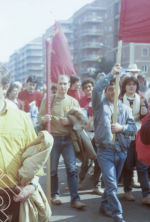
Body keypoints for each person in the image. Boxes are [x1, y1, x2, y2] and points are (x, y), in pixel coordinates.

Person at [0, 71, 50, 222]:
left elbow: (33, 157)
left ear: (5, 87)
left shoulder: (22, 118)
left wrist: (33, 185)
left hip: (15, 195)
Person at [92, 64, 137, 222]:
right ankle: (118, 215)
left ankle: (104, 206)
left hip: (122, 152)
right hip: (105, 151)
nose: (112, 91)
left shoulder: (126, 109)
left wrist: (122, 128)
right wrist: (111, 73)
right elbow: (96, 90)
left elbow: (133, 129)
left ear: (119, 91)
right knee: (111, 185)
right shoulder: (99, 106)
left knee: (111, 186)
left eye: (114, 89)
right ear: (106, 91)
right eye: (109, 89)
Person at [38, 74, 86, 209]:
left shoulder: (73, 102)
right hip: (53, 139)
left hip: (68, 139)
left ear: (69, 85)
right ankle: (55, 195)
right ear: (56, 84)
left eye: (65, 84)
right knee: (52, 170)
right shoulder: (48, 100)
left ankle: (75, 199)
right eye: (60, 83)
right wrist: (44, 119)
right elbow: (39, 118)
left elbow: (82, 121)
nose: (63, 86)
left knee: (71, 169)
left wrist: (70, 121)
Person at [120, 76, 150, 204]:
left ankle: (146, 194)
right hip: (126, 136)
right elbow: (120, 118)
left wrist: (143, 103)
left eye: (134, 84)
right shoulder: (120, 100)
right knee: (128, 165)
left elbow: (145, 114)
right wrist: (135, 117)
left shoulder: (141, 98)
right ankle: (127, 190)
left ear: (137, 86)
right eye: (129, 84)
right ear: (124, 86)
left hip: (139, 136)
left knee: (142, 166)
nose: (131, 86)